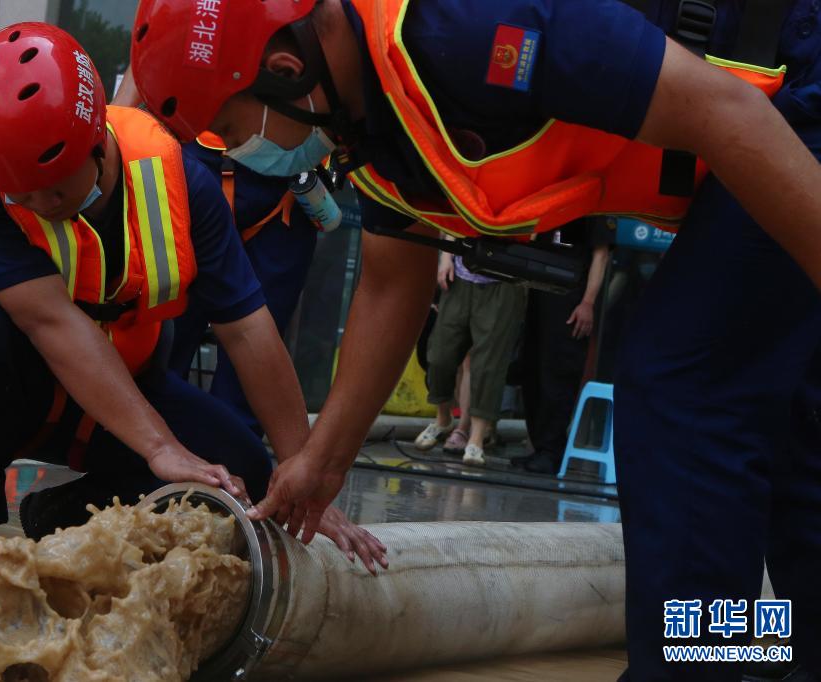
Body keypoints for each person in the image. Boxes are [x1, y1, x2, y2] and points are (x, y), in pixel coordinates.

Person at [130, 1, 821, 680]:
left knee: (686, 389)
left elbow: (724, 110)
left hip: (790, 98)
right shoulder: (369, 116)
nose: (243, 151)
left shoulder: (467, 24)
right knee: (793, 425)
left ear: (285, 69)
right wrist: (320, 464)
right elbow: (390, 282)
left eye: (231, 129)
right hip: (764, 125)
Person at [0, 24, 385, 573]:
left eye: (56, 185)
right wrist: (160, 448)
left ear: (97, 141)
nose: (40, 203)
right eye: (21, 193)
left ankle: (67, 516)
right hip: (9, 391)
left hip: (125, 384)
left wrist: (304, 469)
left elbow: (247, 329)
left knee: (241, 478)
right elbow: (52, 323)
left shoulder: (182, 182)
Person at [168, 133, 318, 437]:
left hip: (288, 176)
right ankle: (150, 448)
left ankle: (232, 458)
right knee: (169, 332)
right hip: (201, 155)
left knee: (257, 343)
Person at [512, 217, 611, 475]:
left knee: (557, 374)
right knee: (532, 370)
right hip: (540, 292)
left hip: (571, 300)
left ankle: (551, 450)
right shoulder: (554, 205)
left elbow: (601, 255)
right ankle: (539, 445)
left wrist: (588, 302)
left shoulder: (594, 209)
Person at [413, 238, 526, 466]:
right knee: (440, 355)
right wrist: (446, 258)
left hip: (504, 280)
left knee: (488, 365)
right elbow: (455, 221)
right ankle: (443, 419)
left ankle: (476, 439)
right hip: (461, 275)